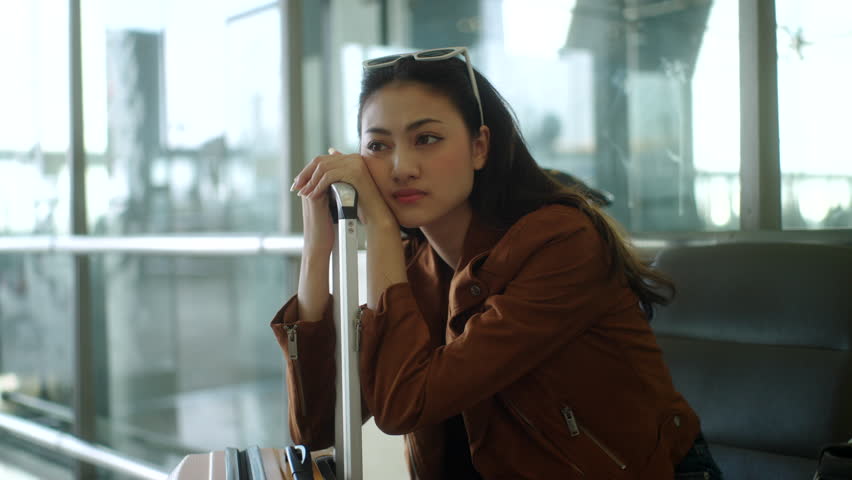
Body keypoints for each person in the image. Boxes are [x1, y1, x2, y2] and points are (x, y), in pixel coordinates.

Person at [271, 47, 723, 479]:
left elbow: (401, 406)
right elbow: (318, 430)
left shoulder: (561, 243)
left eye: (426, 139)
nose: (400, 167)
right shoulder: (414, 266)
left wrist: (384, 231)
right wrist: (317, 250)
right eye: (378, 146)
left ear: (479, 146)